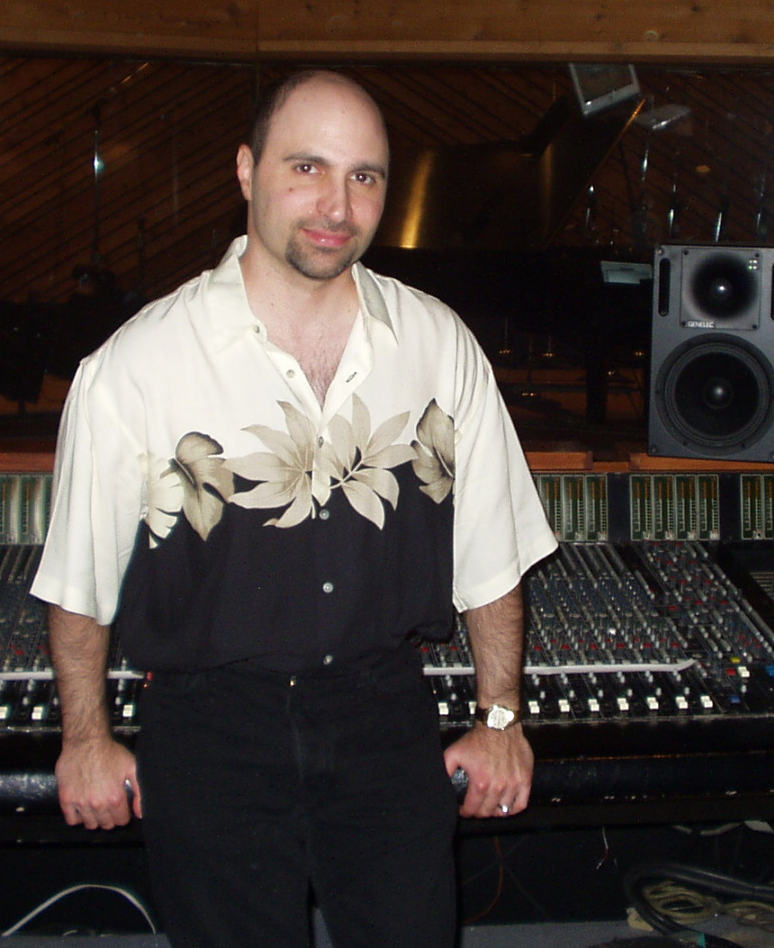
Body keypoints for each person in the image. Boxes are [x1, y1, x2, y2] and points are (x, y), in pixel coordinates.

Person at [29, 69, 559, 948]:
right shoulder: (135, 366)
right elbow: (79, 582)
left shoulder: (439, 344)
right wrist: (85, 736)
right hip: (208, 729)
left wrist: (500, 717)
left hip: (383, 714)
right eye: (306, 168)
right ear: (247, 170)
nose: (337, 207)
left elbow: (491, 555)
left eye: (364, 176)